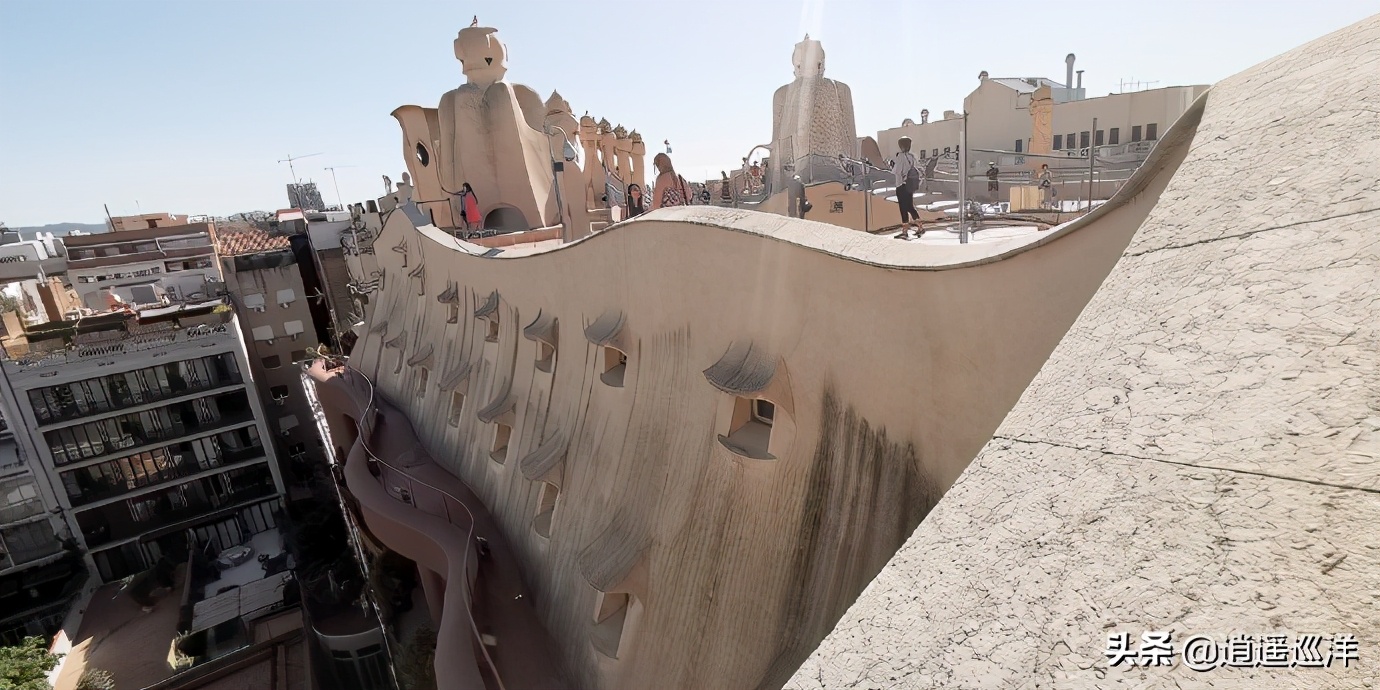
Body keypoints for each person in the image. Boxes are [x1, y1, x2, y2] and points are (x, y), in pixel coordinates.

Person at [888, 136, 922, 238]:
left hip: (901, 185)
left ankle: (905, 231)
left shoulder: (900, 157)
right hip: (909, 185)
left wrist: (891, 165)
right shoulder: (912, 157)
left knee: (903, 208)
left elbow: (896, 171)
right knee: (910, 207)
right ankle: (920, 226)